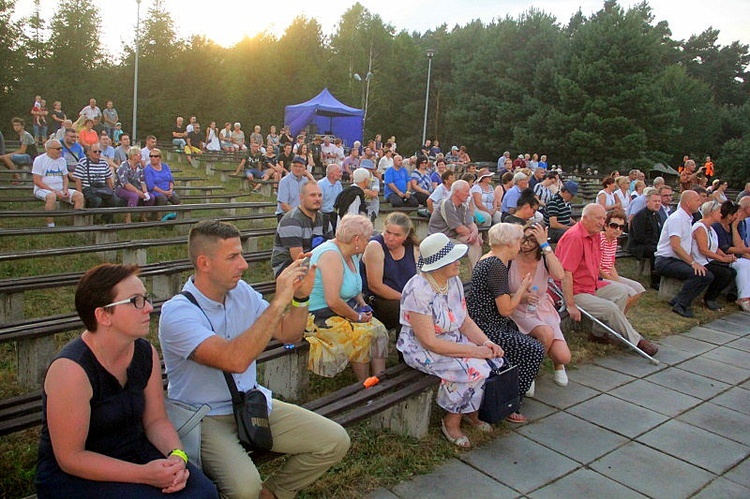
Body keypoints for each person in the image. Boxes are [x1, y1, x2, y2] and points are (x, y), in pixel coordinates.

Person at [159, 220, 349, 498]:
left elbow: (289, 334)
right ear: (204, 263)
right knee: (245, 487)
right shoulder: (177, 313)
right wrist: (279, 300)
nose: (244, 264)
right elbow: (234, 360)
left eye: (241, 254)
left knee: (334, 440)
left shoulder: (241, 292)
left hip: (251, 403)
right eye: (233, 257)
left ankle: (273, 493)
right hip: (205, 417)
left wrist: (299, 298)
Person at [36, 263, 218, 498]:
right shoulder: (71, 371)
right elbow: (71, 458)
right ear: (103, 315)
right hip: (78, 475)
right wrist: (144, 474)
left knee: (203, 492)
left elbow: (155, 421)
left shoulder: (145, 352)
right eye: (135, 301)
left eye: (146, 298)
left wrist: (176, 457)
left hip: (135, 452)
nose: (149, 308)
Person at [398, 232, 504, 448]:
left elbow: (464, 321)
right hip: (420, 348)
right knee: (471, 368)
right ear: (437, 264)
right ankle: (451, 421)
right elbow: (429, 341)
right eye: (452, 260)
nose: (459, 262)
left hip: (450, 338)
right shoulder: (418, 290)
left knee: (493, 359)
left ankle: (469, 410)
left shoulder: (452, 281)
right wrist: (472, 352)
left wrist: (485, 343)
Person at [466, 223, 546, 422]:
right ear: (510, 243)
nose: (521, 245)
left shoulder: (492, 260)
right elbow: (506, 309)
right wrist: (522, 289)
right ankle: (508, 403)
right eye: (519, 241)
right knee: (534, 350)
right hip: (485, 329)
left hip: (487, 322)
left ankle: (507, 398)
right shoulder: (496, 266)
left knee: (527, 344)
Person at [556, 204, 658, 355]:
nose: (601, 222)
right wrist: (570, 305)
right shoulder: (574, 237)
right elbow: (566, 274)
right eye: (598, 218)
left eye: (603, 218)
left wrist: (612, 280)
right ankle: (637, 341)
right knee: (610, 309)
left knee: (622, 291)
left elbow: (599, 265)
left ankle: (598, 334)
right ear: (584, 218)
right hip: (574, 291)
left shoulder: (595, 235)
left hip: (591, 284)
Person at [305, 214, 389, 381]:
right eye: (367, 239)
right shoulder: (331, 255)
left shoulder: (353, 253)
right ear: (357, 239)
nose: (369, 242)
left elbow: (354, 286)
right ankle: (364, 386)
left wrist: (363, 305)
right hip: (319, 314)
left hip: (344, 307)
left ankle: (380, 378)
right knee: (362, 334)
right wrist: (357, 317)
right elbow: (332, 300)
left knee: (379, 330)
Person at [509, 222, 570, 386]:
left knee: (564, 356)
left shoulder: (543, 257)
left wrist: (545, 245)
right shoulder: (511, 257)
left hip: (541, 307)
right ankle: (530, 371)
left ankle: (557, 364)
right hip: (517, 307)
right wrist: (521, 297)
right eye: (524, 238)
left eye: (532, 239)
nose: (526, 243)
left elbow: (559, 274)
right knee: (545, 333)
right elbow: (499, 293)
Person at [654, 190, 716, 318]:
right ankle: (681, 305)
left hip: (676, 260)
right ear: (688, 203)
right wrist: (693, 263)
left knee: (707, 275)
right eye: (697, 200)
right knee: (699, 274)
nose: (700, 203)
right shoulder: (677, 218)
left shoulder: (687, 218)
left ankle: (678, 300)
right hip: (666, 261)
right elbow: (675, 246)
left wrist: (694, 262)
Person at [361, 212, 420, 330]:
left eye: (397, 235)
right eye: (387, 232)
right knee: (406, 309)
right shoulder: (375, 246)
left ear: (406, 235)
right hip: (378, 300)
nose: (391, 238)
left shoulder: (414, 248)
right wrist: (405, 298)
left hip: (405, 296)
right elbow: (375, 286)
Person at [271, 182, 332, 277]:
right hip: (289, 268)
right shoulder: (291, 221)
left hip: (316, 265)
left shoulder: (324, 219)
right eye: (312, 195)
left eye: (320, 195)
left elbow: (330, 249)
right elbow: (299, 259)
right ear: (301, 197)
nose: (317, 199)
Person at [691, 200, 737, 311]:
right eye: (719, 212)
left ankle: (711, 297)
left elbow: (715, 247)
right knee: (724, 273)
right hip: (700, 261)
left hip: (708, 260)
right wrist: (722, 259)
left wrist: (726, 257)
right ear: (711, 213)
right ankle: (709, 299)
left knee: (732, 272)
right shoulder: (700, 227)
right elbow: (703, 250)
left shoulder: (710, 228)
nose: (721, 215)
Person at [427, 179, 482, 272]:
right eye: (467, 191)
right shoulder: (446, 204)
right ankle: (476, 274)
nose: (469, 194)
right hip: (439, 239)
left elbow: (471, 223)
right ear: (457, 192)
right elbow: (459, 229)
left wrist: (475, 233)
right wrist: (473, 235)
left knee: (474, 242)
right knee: (473, 243)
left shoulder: (464, 206)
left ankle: (475, 273)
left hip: (453, 237)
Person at [599, 209, 645, 312]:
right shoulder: (600, 239)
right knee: (628, 291)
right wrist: (613, 281)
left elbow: (611, 264)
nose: (617, 230)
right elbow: (596, 267)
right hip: (599, 277)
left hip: (608, 274)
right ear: (606, 226)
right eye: (614, 226)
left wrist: (617, 280)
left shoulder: (614, 240)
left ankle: (621, 316)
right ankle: (615, 319)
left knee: (638, 289)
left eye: (621, 227)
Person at [32, 139, 84, 227]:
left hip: (60, 188)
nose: (61, 151)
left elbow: (65, 178)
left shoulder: (62, 160)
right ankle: (50, 224)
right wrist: (53, 191)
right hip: (43, 189)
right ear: (49, 149)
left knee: (79, 195)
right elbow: (37, 181)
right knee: (51, 196)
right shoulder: (39, 160)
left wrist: (65, 189)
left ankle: (76, 223)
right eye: (58, 149)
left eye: (61, 148)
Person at [628, 188, 664, 290]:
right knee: (656, 251)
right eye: (655, 201)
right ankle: (655, 281)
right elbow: (640, 237)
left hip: (652, 243)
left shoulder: (656, 215)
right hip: (638, 246)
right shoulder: (640, 216)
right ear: (647, 202)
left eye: (659, 201)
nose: (657, 204)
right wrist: (657, 245)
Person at [73, 144, 118, 218]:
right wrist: (80, 194)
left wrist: (111, 190)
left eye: (99, 151)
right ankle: (90, 218)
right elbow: (78, 180)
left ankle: (106, 220)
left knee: (113, 200)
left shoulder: (104, 163)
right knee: (97, 200)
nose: (97, 153)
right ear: (89, 152)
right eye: (95, 151)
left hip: (102, 187)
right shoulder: (83, 162)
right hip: (88, 188)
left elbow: (108, 178)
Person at [116, 146, 156, 223]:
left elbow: (142, 181)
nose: (141, 156)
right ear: (132, 156)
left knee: (151, 197)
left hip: (136, 187)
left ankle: (143, 216)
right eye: (139, 155)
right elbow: (125, 184)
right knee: (134, 196)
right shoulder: (123, 166)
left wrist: (145, 192)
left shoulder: (139, 167)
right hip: (121, 188)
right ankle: (128, 217)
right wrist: (138, 192)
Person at [275, 156, 314, 220]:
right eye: (295, 166)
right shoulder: (285, 181)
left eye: (300, 166)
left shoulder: (305, 181)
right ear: (291, 167)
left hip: (302, 215)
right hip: (286, 215)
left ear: (304, 168)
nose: (298, 169)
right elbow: (284, 205)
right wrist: (298, 215)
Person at [1, 117, 38, 182]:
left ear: (22, 126)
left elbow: (22, 151)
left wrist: (9, 155)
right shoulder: (21, 135)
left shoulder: (25, 135)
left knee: (5, 158)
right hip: (26, 155)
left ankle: (18, 178)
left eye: (18, 125)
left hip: (30, 157)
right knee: (5, 158)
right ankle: (15, 177)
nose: (16, 127)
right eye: (14, 125)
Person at [318, 163, 343, 232]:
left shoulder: (338, 184)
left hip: (334, 214)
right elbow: (318, 203)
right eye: (339, 172)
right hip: (323, 215)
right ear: (331, 174)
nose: (341, 174)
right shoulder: (321, 185)